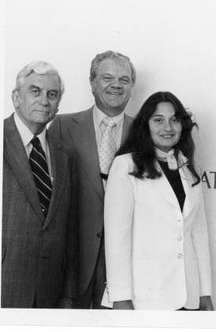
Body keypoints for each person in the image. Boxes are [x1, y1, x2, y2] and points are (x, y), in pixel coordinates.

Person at [101, 91, 213, 310]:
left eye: (174, 120)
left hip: (187, 294)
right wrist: (120, 296)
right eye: (158, 120)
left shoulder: (189, 168)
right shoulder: (126, 165)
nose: (168, 128)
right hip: (144, 295)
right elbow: (117, 238)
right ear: (146, 125)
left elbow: (198, 234)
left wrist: (204, 292)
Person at [48, 50, 136, 309]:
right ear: (91, 82)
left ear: (132, 86)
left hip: (126, 261)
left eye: (124, 79)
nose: (116, 85)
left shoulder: (144, 131)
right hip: (74, 260)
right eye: (107, 77)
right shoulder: (61, 126)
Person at [2, 61, 78, 308]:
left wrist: (67, 296)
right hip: (0, 287)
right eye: (35, 91)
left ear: (58, 105)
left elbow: (70, 231)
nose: (44, 100)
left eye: (52, 94)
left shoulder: (64, 154)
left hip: (50, 294)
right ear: (16, 97)